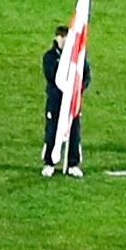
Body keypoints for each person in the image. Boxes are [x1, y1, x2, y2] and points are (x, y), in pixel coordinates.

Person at [35, 22, 85, 176]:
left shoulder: (77, 58)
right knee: (52, 130)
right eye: (61, 37)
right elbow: (52, 75)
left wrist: (78, 88)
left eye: (66, 37)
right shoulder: (49, 57)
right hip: (56, 99)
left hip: (72, 100)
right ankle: (49, 163)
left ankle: (72, 164)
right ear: (56, 38)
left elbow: (85, 74)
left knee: (74, 130)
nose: (63, 40)